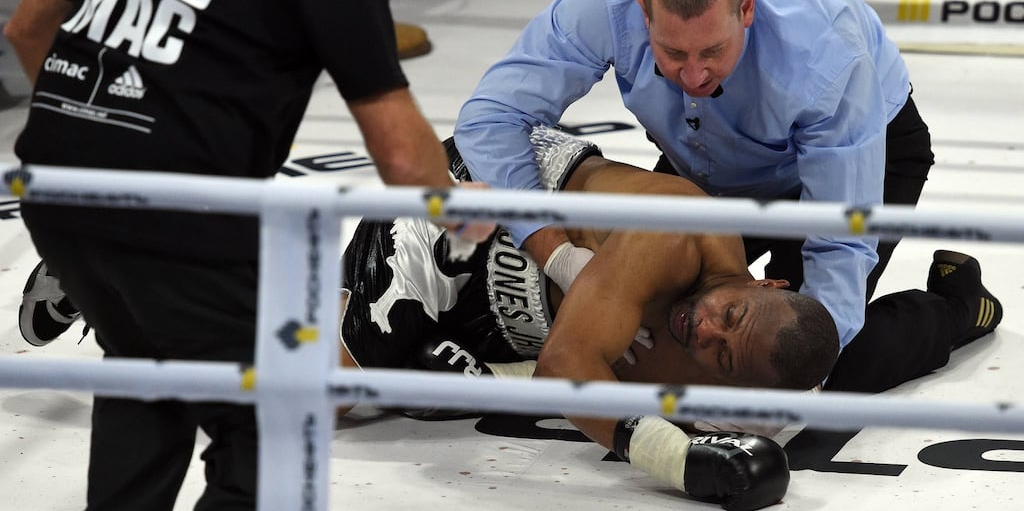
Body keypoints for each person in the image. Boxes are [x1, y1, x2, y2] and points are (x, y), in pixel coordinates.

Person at [4, 0, 491, 509]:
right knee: (272, 427)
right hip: (178, 216)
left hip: (54, 190)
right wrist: (454, 212)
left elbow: (27, 28)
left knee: (143, 377)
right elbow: (404, 157)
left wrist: (95, 141)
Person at [337, 127, 1001, 510]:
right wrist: (674, 460)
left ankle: (956, 307)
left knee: (843, 368)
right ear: (766, 279)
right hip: (474, 216)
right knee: (327, 394)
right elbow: (565, 367)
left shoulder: (756, 393)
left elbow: (775, 374)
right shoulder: (674, 233)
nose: (704, 330)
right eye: (729, 314)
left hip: (521, 321)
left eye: (720, 356)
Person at [452, 0, 936, 389]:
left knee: (792, 359)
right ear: (643, 15)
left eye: (713, 50)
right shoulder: (607, 2)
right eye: (672, 52)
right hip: (708, 166)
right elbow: (492, 116)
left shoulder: (825, 49)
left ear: (746, 8)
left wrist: (795, 388)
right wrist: (553, 251)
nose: (694, 74)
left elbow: (839, 247)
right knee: (640, 336)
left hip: (865, 154)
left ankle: (955, 308)